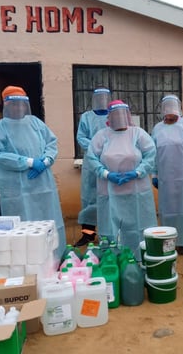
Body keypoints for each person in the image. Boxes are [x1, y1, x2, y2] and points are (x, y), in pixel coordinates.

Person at [0, 85, 66, 259]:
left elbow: (51, 143)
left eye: (21, 104)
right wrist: (29, 162)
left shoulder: (35, 123)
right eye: (13, 104)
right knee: (24, 225)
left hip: (43, 183)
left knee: (49, 219)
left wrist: (45, 161)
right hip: (18, 188)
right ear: (6, 105)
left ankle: (56, 257)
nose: (18, 108)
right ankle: (27, 261)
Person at [86, 100, 157, 261]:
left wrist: (137, 172)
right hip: (109, 190)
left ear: (127, 115)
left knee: (139, 224)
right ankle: (113, 258)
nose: (118, 118)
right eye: (114, 114)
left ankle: (140, 257)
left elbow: (150, 155)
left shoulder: (138, 133)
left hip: (137, 190)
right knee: (111, 226)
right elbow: (91, 157)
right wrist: (105, 173)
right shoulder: (102, 136)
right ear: (109, 117)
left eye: (121, 113)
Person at [151, 95, 183, 255]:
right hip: (165, 177)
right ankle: (169, 240)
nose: (170, 113)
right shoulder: (157, 128)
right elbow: (154, 154)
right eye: (167, 108)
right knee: (168, 209)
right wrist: (154, 173)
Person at [75, 87, 111, 247]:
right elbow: (81, 137)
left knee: (110, 199)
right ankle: (88, 234)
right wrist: (97, 147)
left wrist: (110, 149)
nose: (102, 100)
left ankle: (109, 234)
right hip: (91, 162)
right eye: (99, 97)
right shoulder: (87, 117)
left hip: (111, 162)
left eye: (105, 97)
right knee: (89, 198)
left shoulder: (114, 115)